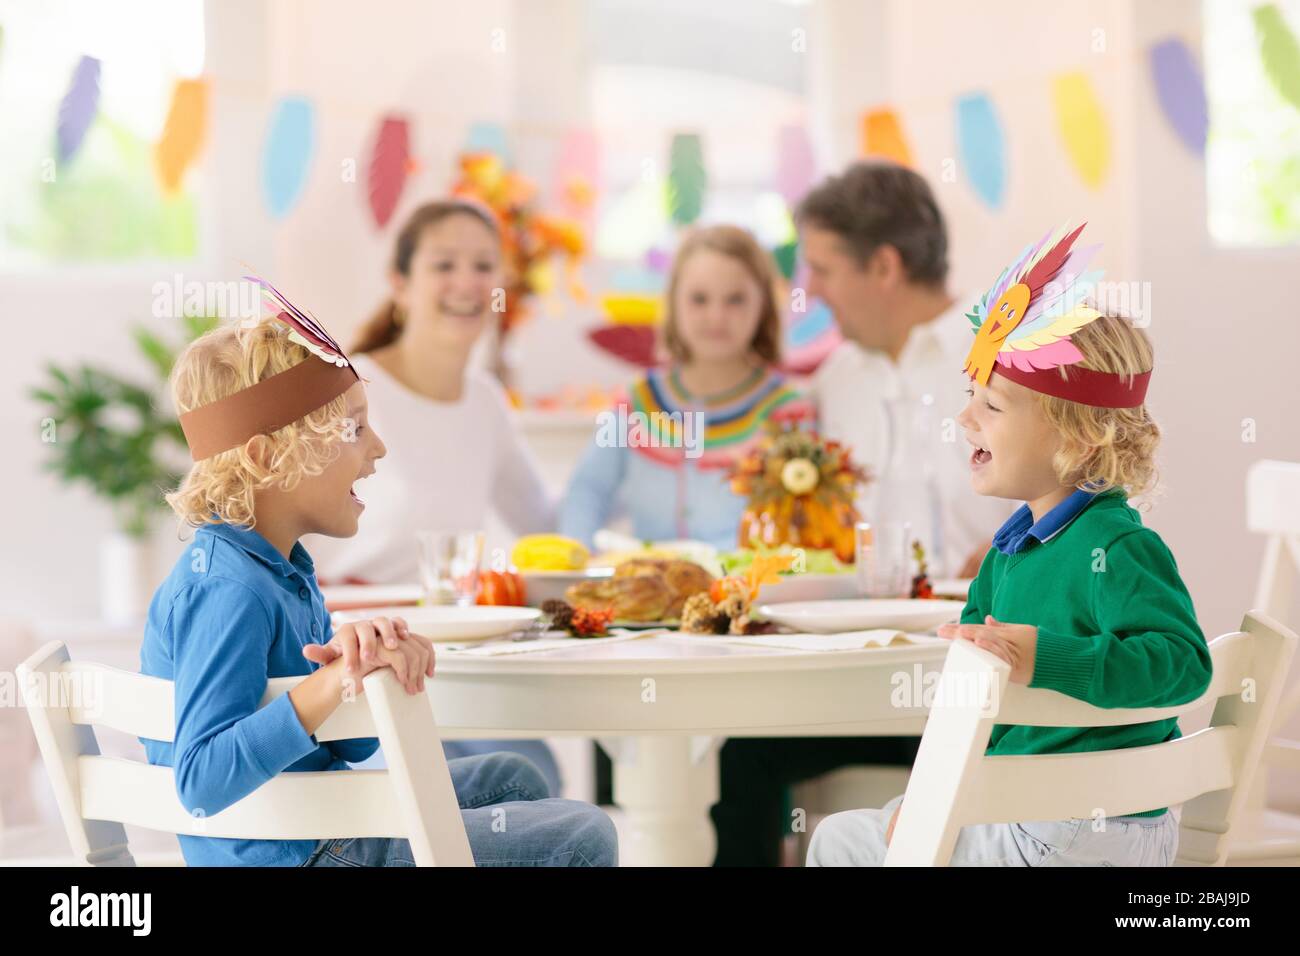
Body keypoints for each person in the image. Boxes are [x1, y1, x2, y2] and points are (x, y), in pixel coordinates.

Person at [140, 297, 616, 866]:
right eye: (355, 429)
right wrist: (325, 686)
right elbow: (202, 780)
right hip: (301, 852)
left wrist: (361, 675)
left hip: (318, 822)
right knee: (583, 835)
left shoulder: (282, 570)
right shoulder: (225, 589)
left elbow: (347, 745)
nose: (378, 449)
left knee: (512, 775)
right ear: (267, 458)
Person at [807, 226, 1211, 866]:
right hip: (1064, 823)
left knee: (840, 839)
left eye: (991, 405)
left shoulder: (1120, 545)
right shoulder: (1007, 556)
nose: (966, 418)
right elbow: (967, 711)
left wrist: (1049, 659)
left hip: (1074, 828)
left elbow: (1185, 665)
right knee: (894, 824)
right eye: (971, 398)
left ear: (1078, 438)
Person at [304, 199, 561, 794]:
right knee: (444, 792)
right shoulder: (348, 389)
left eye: (483, 266)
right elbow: (285, 533)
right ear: (400, 283)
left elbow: (544, 522)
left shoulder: (484, 400)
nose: (467, 283)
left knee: (537, 776)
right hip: (351, 659)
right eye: (445, 264)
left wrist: (621, 462)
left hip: (445, 658)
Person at [798, 161, 1013, 578]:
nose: (810, 291)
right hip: (860, 637)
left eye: (823, 271)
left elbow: (1096, 506)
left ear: (884, 267)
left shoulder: (1015, 358)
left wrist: (1029, 549)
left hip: (995, 631)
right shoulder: (833, 380)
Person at [559, 224, 812, 550]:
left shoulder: (788, 413)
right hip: (646, 589)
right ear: (674, 304)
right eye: (699, 299)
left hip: (745, 592)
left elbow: (803, 519)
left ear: (762, 306)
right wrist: (573, 558)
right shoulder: (636, 403)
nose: (716, 316)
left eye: (736, 300)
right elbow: (587, 490)